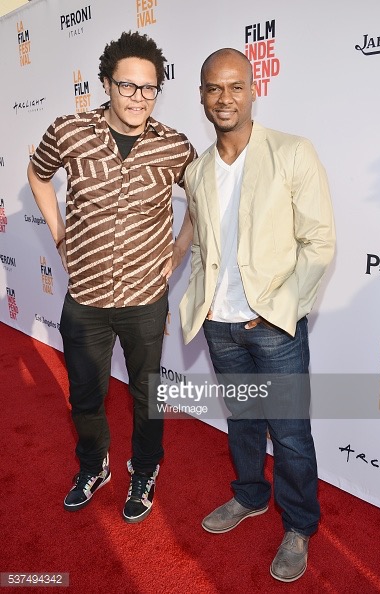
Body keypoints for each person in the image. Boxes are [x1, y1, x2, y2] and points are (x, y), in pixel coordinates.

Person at [178, 48, 335, 582]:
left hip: (274, 328)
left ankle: (299, 525)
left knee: (290, 433)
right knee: (242, 422)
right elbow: (203, 247)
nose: (224, 99)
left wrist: (279, 313)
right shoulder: (197, 169)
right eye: (213, 88)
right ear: (201, 95)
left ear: (253, 90)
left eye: (235, 87)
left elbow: (318, 242)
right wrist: (200, 303)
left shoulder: (292, 152)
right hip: (219, 325)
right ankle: (249, 497)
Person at [27, 31, 196, 523]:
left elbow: (204, 198)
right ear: (106, 84)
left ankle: (144, 470)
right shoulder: (69, 131)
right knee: (84, 392)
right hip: (86, 296)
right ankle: (93, 464)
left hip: (146, 297)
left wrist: (181, 246)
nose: (138, 98)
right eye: (127, 86)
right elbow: (38, 174)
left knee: (147, 394)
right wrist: (59, 235)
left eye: (149, 88)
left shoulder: (174, 146)